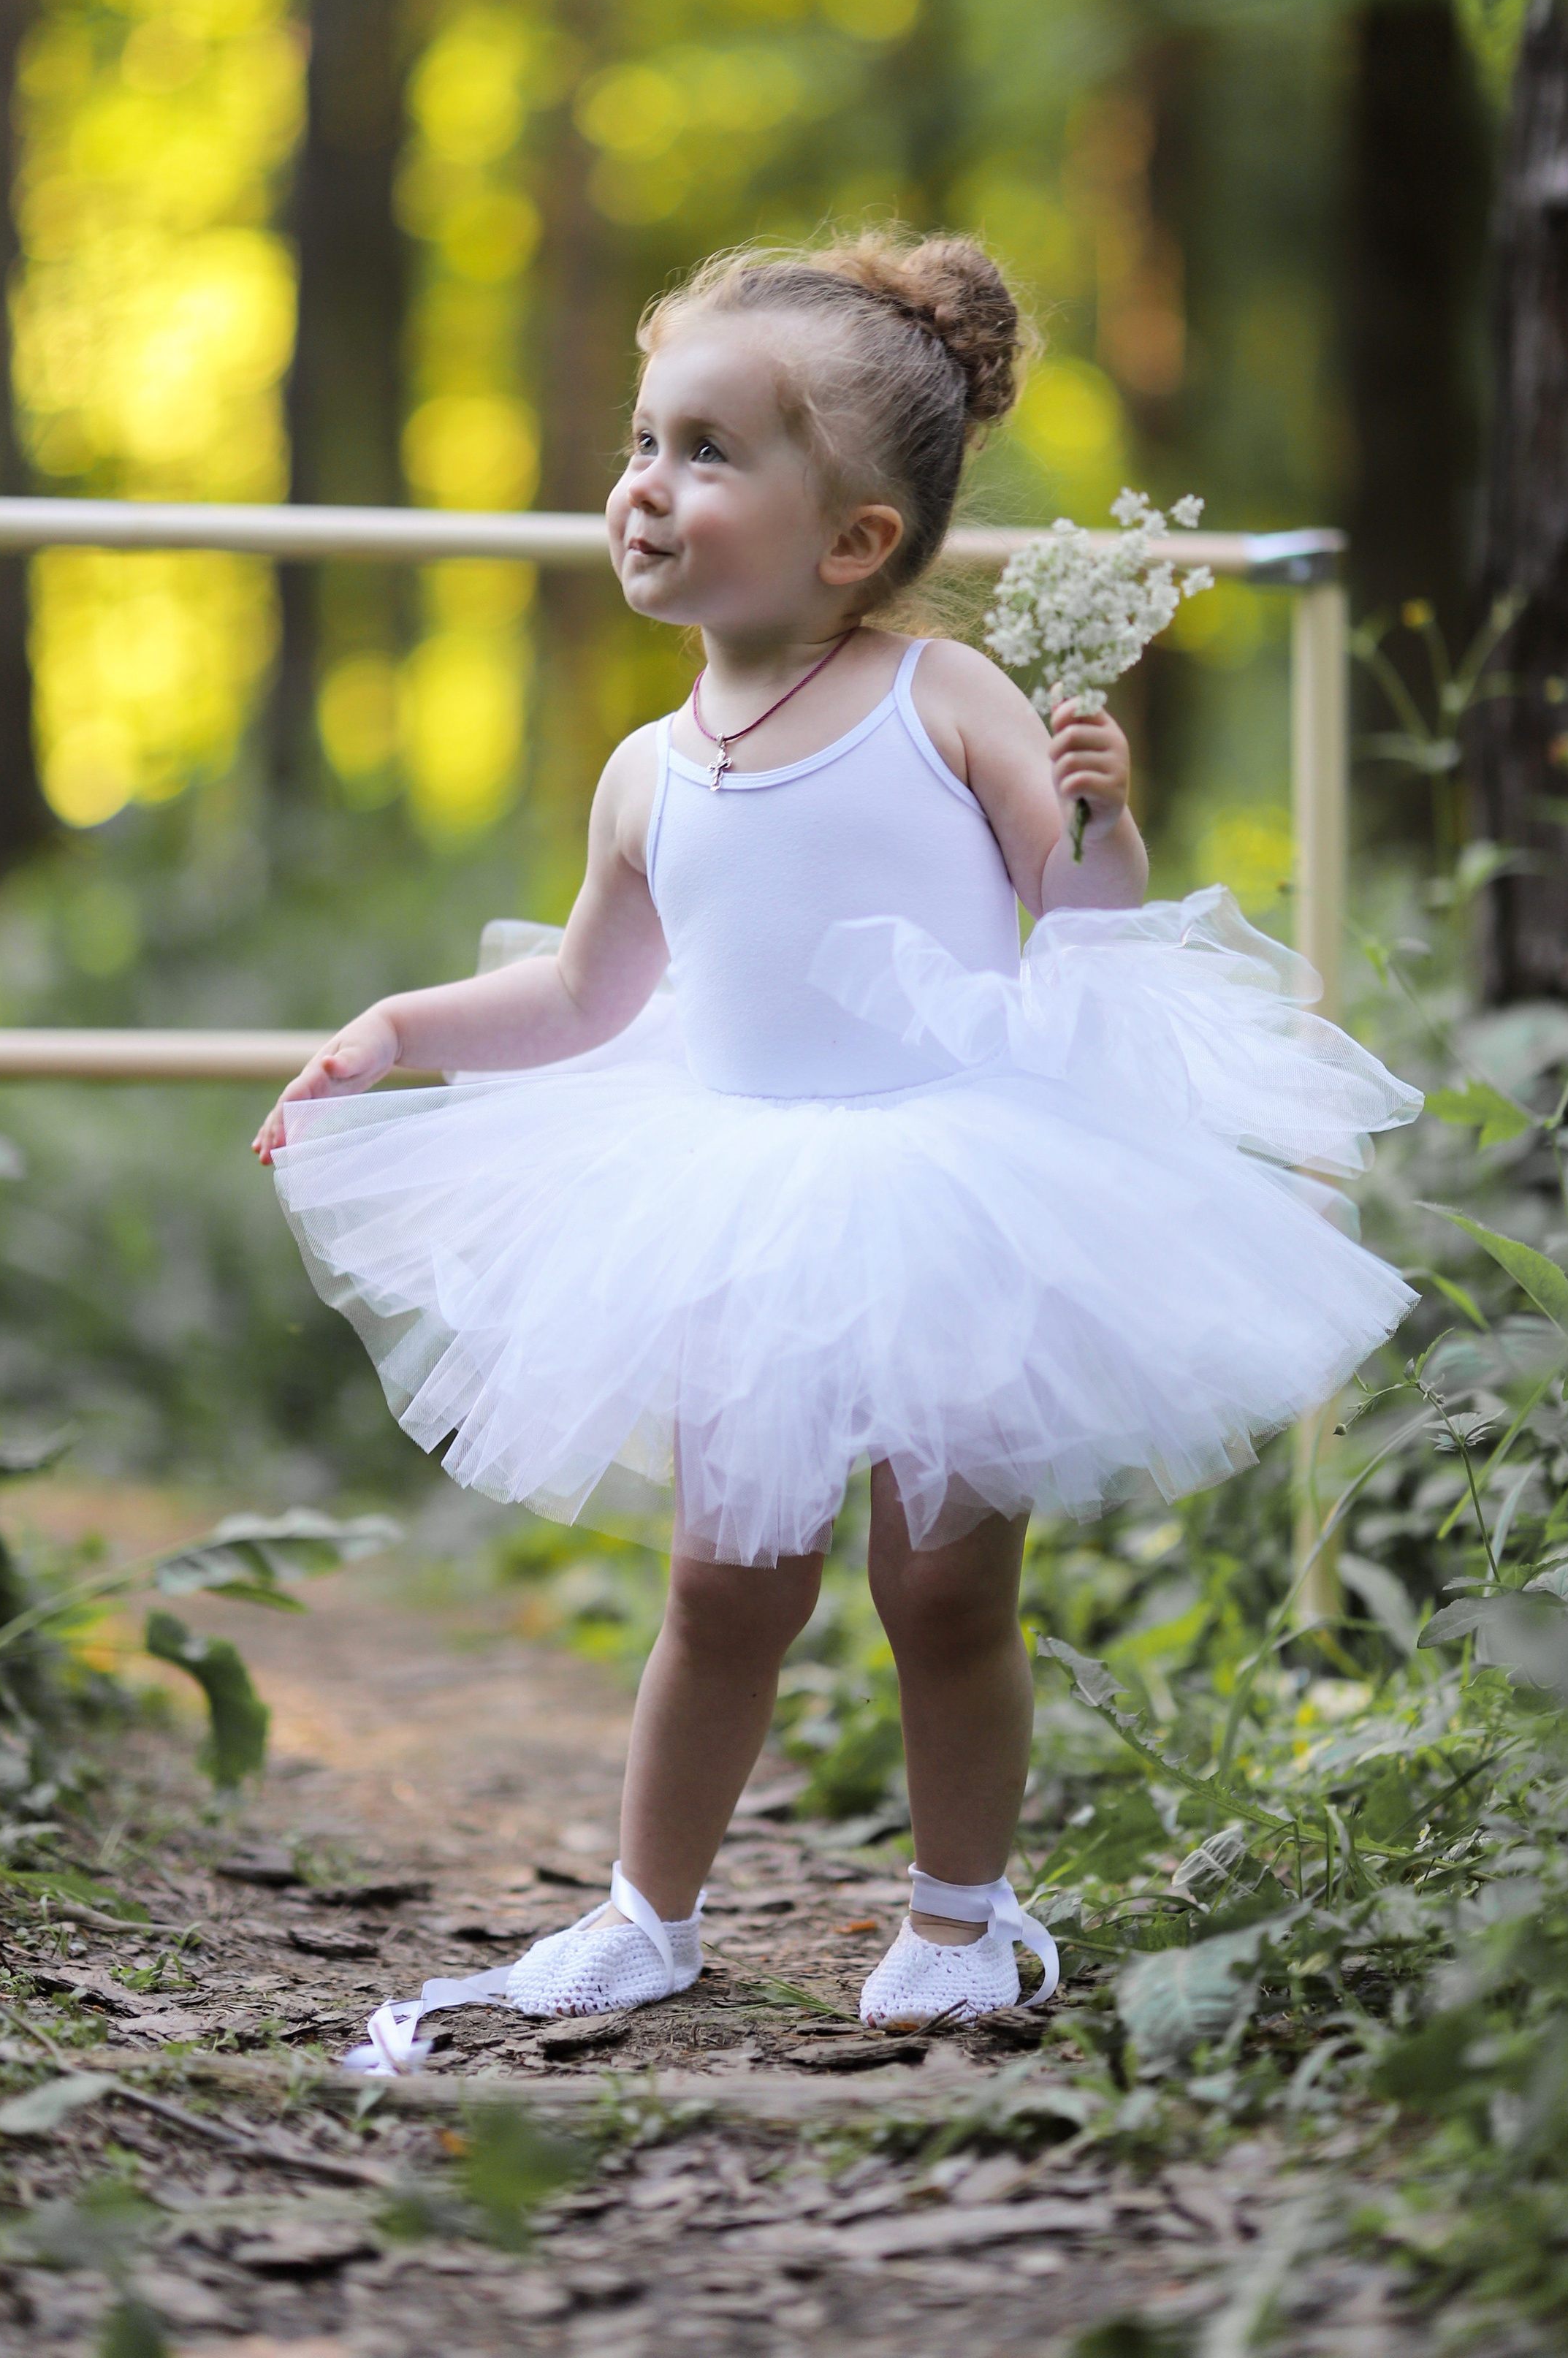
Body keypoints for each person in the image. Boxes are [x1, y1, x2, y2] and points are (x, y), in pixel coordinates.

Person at [254, 232, 1419, 2056]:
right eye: (644, 441)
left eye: (708, 453)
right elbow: (583, 997)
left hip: (953, 1188)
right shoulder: (647, 767)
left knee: (943, 1588)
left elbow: (1078, 912)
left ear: (854, 540)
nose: (646, 484)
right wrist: (399, 1034)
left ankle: (957, 1913)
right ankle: (649, 1911)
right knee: (724, 1590)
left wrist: (1102, 813)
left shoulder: (935, 698)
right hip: (737, 1198)